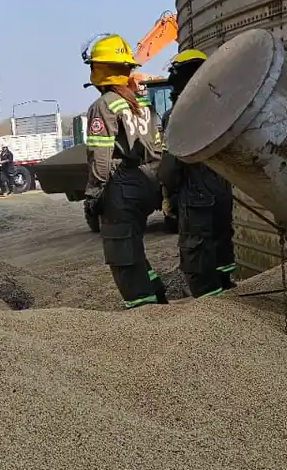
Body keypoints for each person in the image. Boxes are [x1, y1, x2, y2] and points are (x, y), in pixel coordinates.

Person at [81, 33, 168, 308]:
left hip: (123, 183)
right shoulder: (141, 103)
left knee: (121, 253)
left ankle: (146, 313)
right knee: (134, 246)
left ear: (100, 69)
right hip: (150, 179)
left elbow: (101, 156)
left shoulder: (104, 105)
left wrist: (95, 193)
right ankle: (157, 296)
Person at [158, 50, 238, 296]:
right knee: (221, 245)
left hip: (195, 195)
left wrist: (168, 193)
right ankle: (229, 294)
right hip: (222, 189)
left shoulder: (177, 114)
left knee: (197, 256)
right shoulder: (221, 107)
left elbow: (171, 165)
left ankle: (210, 307)